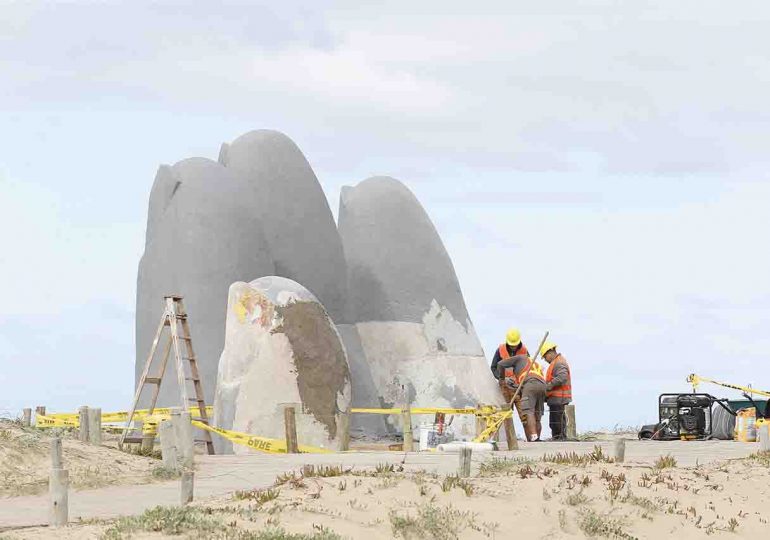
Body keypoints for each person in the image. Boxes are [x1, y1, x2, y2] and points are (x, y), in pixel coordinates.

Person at [491, 328, 546, 441]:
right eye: (511, 345)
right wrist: (502, 379)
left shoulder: (524, 351)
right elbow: (494, 367)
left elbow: (530, 366)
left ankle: (531, 439)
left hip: (520, 388)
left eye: (515, 345)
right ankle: (504, 441)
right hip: (505, 388)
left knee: (526, 414)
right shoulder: (500, 350)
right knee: (504, 415)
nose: (513, 347)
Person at [540, 341, 572, 440]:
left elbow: (562, 377)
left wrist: (548, 386)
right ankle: (558, 437)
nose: (545, 360)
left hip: (559, 398)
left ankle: (559, 439)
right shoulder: (556, 362)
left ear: (550, 352)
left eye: (545, 357)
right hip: (556, 398)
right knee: (555, 422)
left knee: (557, 423)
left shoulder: (559, 362)